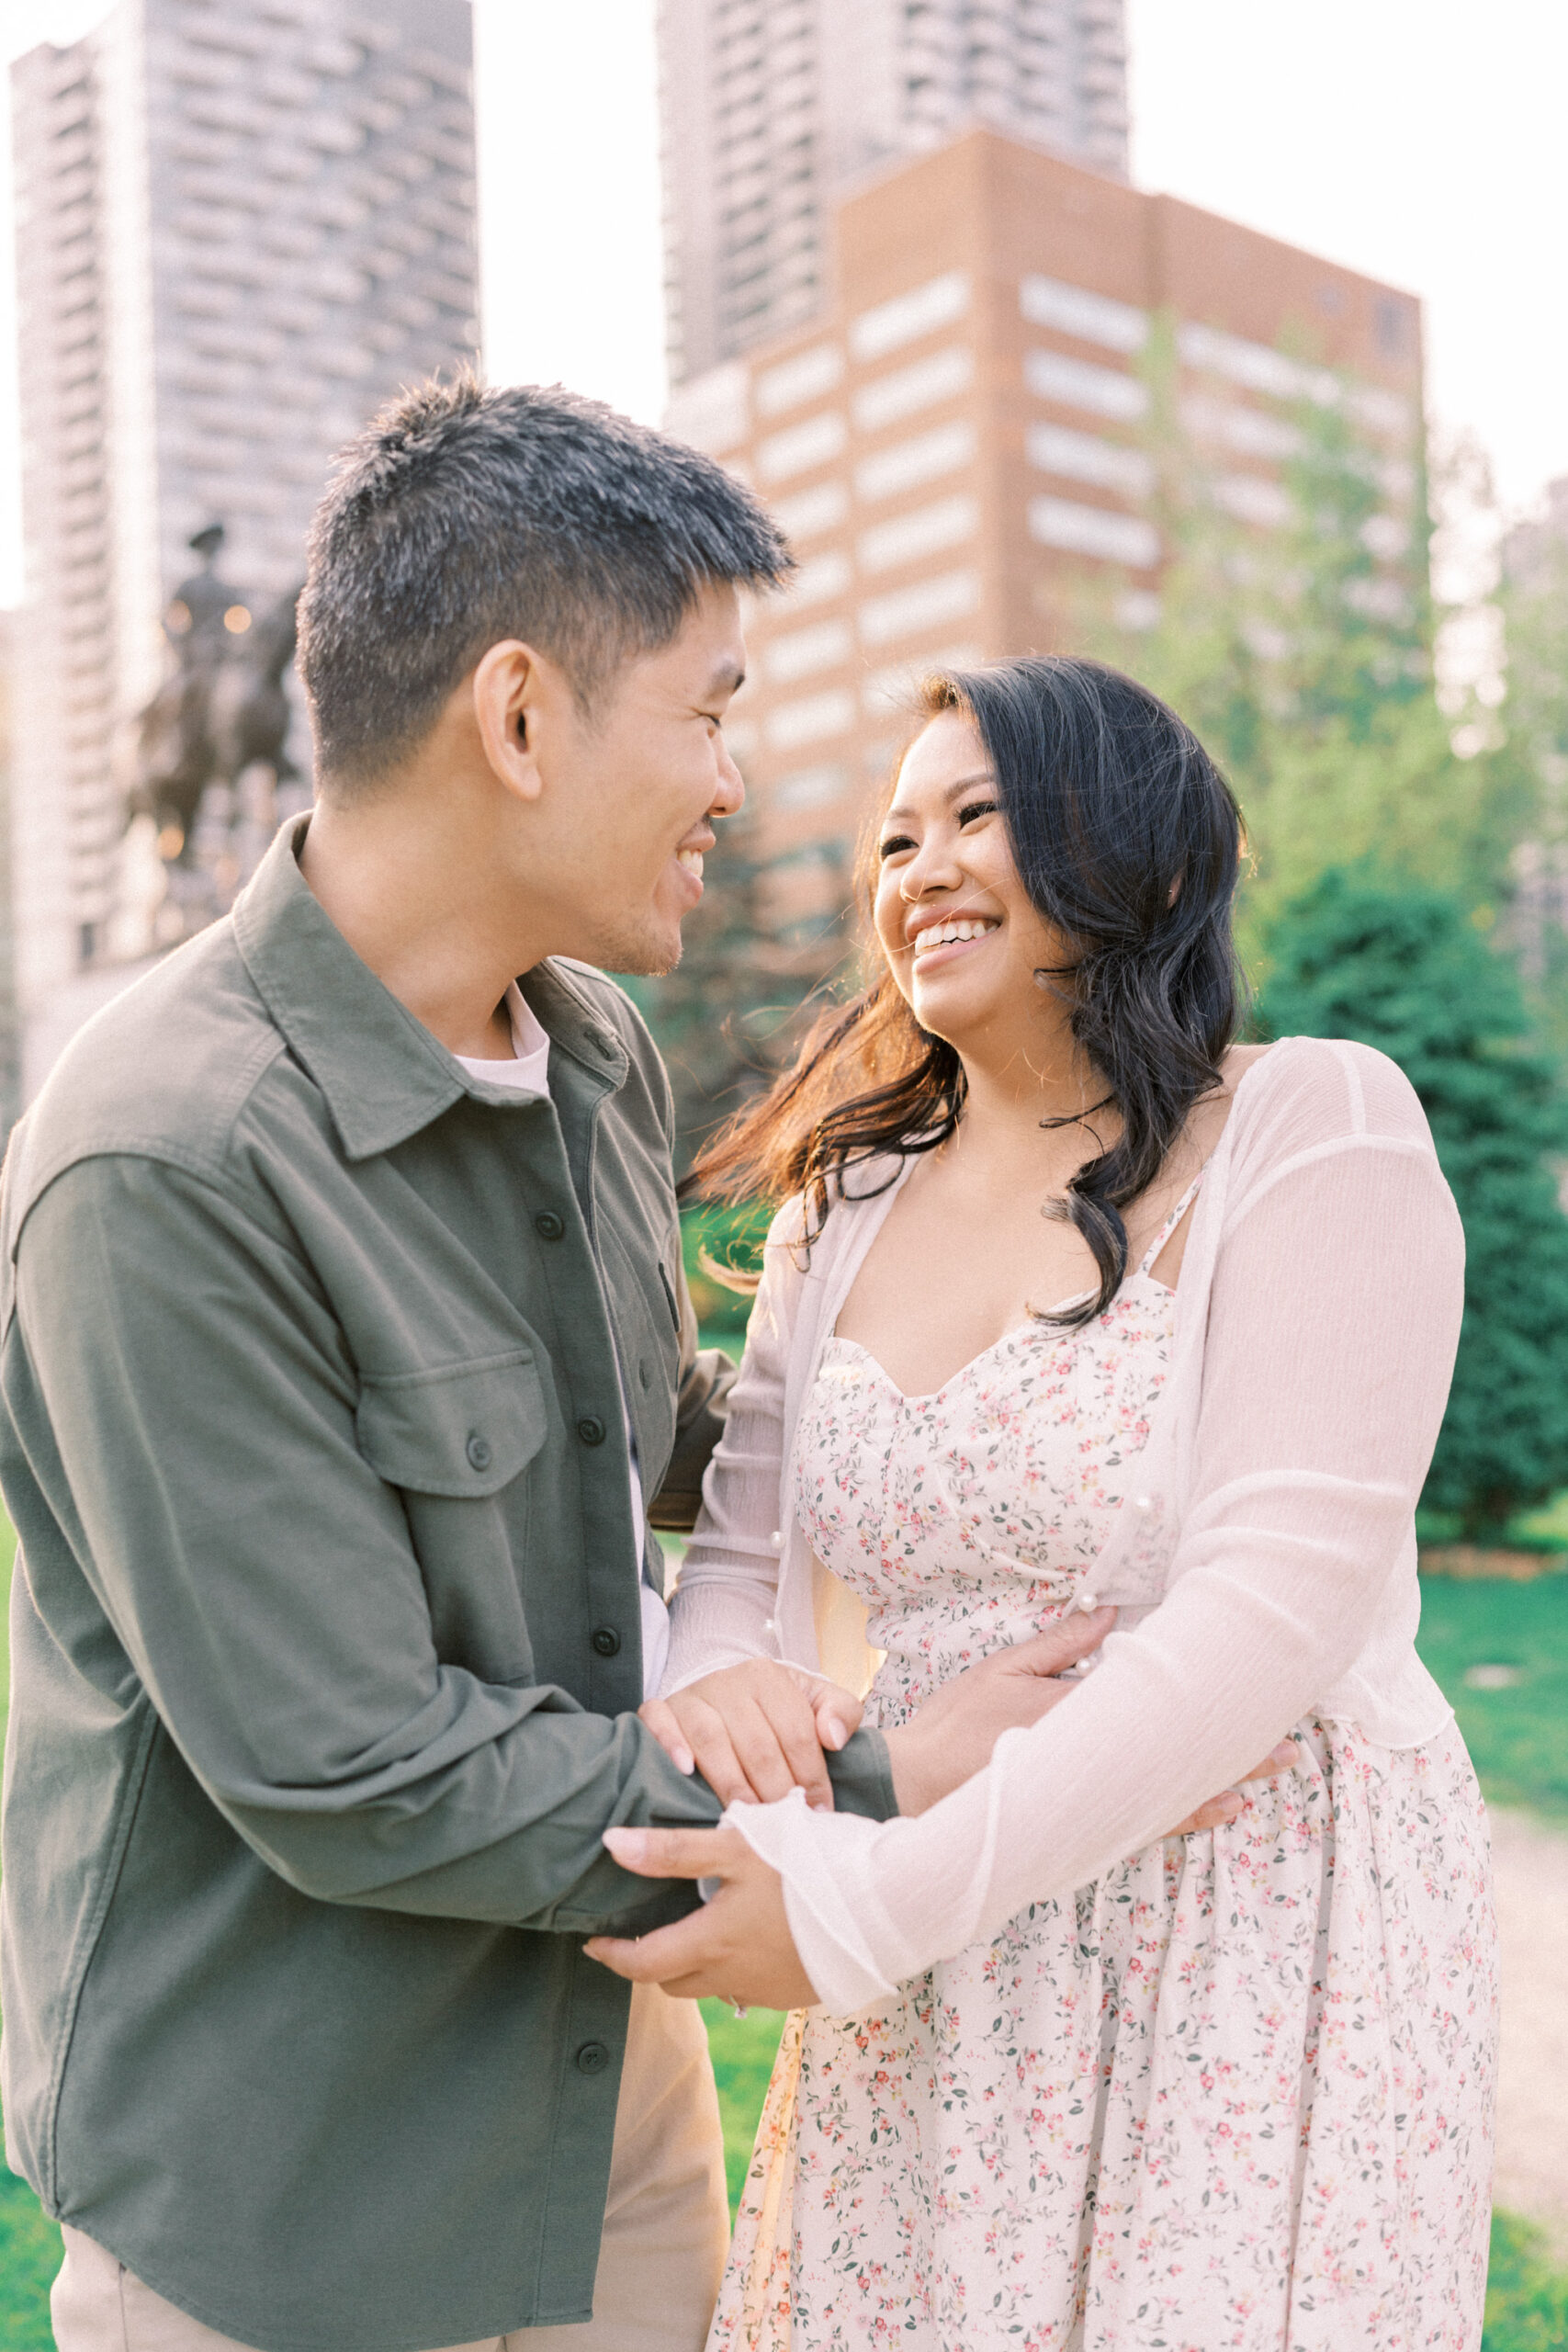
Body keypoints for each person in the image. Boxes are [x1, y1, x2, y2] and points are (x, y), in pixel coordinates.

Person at [0, 387, 1147, 2352]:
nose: (735, 774)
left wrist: (996, 1413)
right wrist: (872, 1782)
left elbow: (641, 1426)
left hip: (598, 2090)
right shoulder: (163, 1158)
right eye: (704, 708)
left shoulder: (591, 1046)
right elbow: (341, 1764)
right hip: (298, 2187)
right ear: (519, 719)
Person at [588, 658, 1499, 2351]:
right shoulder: (837, 1207)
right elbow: (737, 1562)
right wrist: (740, 1725)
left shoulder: (1314, 1126)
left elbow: (1271, 1617)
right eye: (894, 839)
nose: (919, 867)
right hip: (934, 1959)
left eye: (981, 816)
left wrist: (861, 1915)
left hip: (1236, 1938)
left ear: (1133, 854)